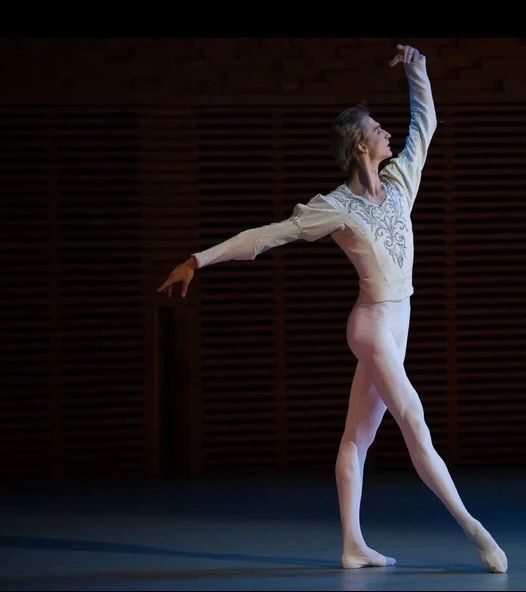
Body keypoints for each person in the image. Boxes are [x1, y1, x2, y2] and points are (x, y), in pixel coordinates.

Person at [157, 44, 508, 573]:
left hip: (399, 322)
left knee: (357, 436)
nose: (388, 133)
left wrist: (417, 70)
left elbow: (426, 124)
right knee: (413, 419)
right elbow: (268, 235)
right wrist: (198, 260)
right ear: (360, 146)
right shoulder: (334, 208)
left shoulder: (399, 185)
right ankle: (475, 530)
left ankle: (351, 544)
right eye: (377, 129)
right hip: (370, 326)